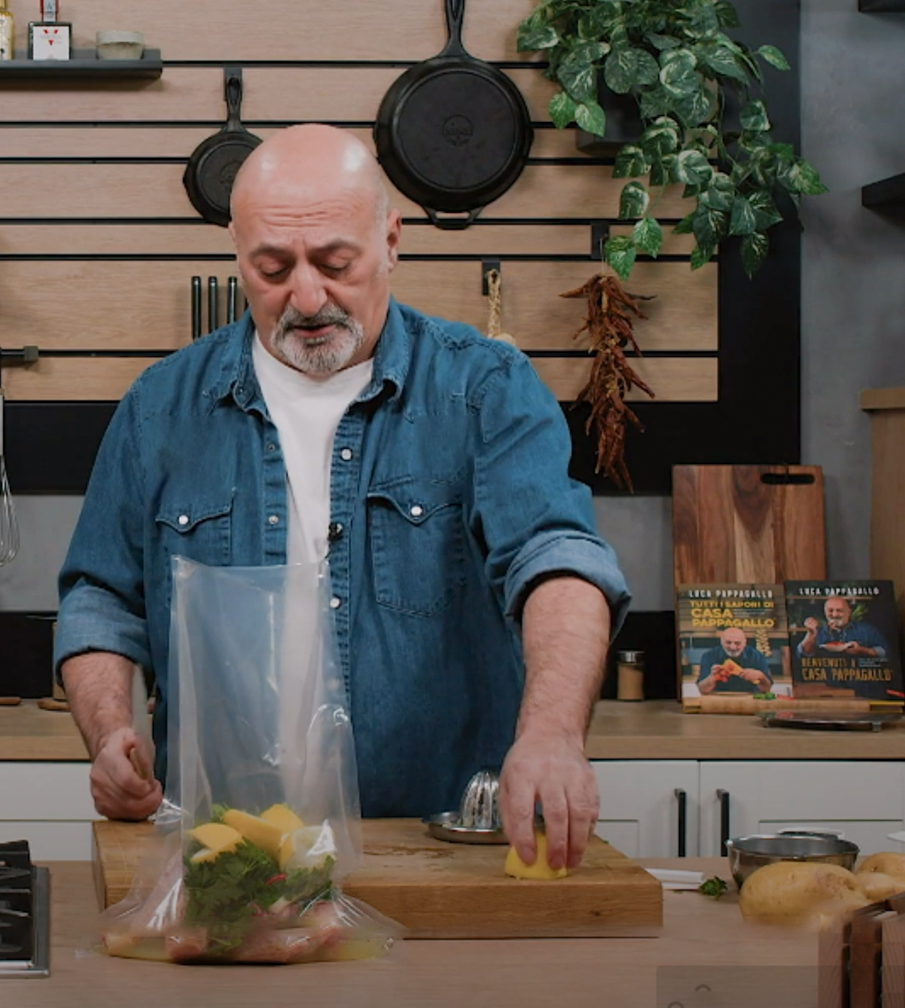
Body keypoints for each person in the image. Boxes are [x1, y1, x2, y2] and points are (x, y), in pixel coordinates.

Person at [53, 125, 631, 872]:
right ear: (236, 252)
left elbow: (558, 561)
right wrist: (107, 735)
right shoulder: (159, 407)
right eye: (271, 267)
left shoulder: (484, 389)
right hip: (228, 866)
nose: (307, 295)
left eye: (335, 262)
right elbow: (100, 597)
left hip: (439, 852)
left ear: (390, 240)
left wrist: (554, 731)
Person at [797, 595, 886, 659]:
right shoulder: (818, 632)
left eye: (839, 611)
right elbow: (801, 654)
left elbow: (885, 652)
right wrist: (811, 634)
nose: (835, 615)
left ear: (849, 612)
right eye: (830, 611)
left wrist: (863, 650)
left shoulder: (866, 630)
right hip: (828, 682)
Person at [690, 626, 774, 694]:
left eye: (737, 643)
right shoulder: (709, 656)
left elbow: (766, 689)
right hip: (717, 700)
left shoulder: (757, 656)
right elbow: (702, 690)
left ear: (745, 642)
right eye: (728, 642)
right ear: (721, 642)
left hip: (750, 699)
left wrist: (761, 676)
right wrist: (712, 678)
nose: (733, 647)